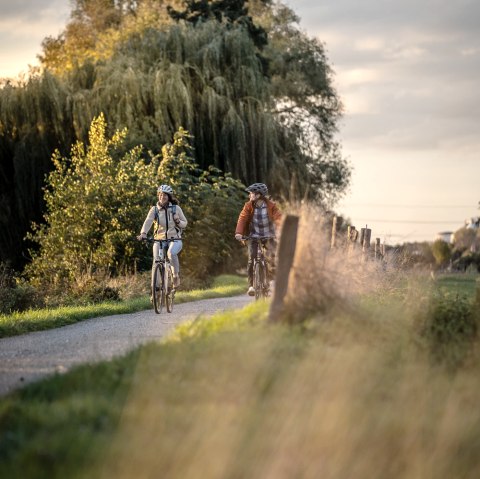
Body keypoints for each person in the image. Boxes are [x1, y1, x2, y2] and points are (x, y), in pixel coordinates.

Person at [235, 183, 282, 296]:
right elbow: (243, 218)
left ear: (258, 195)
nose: (249, 195)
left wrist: (280, 232)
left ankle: (271, 283)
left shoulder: (271, 206)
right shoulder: (248, 206)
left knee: (271, 259)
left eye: (251, 193)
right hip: (253, 235)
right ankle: (251, 286)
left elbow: (278, 218)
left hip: (269, 235)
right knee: (252, 258)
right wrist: (239, 233)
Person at [137, 185, 187, 288]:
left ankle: (175, 275)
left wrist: (177, 220)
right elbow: (148, 222)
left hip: (175, 239)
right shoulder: (154, 210)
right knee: (156, 261)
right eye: (160, 194)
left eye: (164, 195)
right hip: (159, 239)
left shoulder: (176, 208)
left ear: (169, 196)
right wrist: (143, 233)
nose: (162, 197)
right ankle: (155, 289)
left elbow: (184, 223)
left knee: (171, 253)